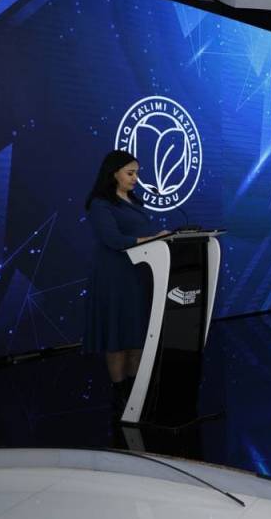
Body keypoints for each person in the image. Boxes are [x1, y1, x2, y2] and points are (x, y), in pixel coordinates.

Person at [83, 150, 170, 418]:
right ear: (113, 174)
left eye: (137, 173)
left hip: (140, 275)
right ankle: (119, 394)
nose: (135, 178)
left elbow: (139, 234)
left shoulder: (133, 200)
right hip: (115, 277)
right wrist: (155, 238)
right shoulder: (100, 204)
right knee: (118, 338)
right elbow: (114, 240)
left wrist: (157, 238)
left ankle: (135, 391)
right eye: (130, 173)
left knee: (136, 336)